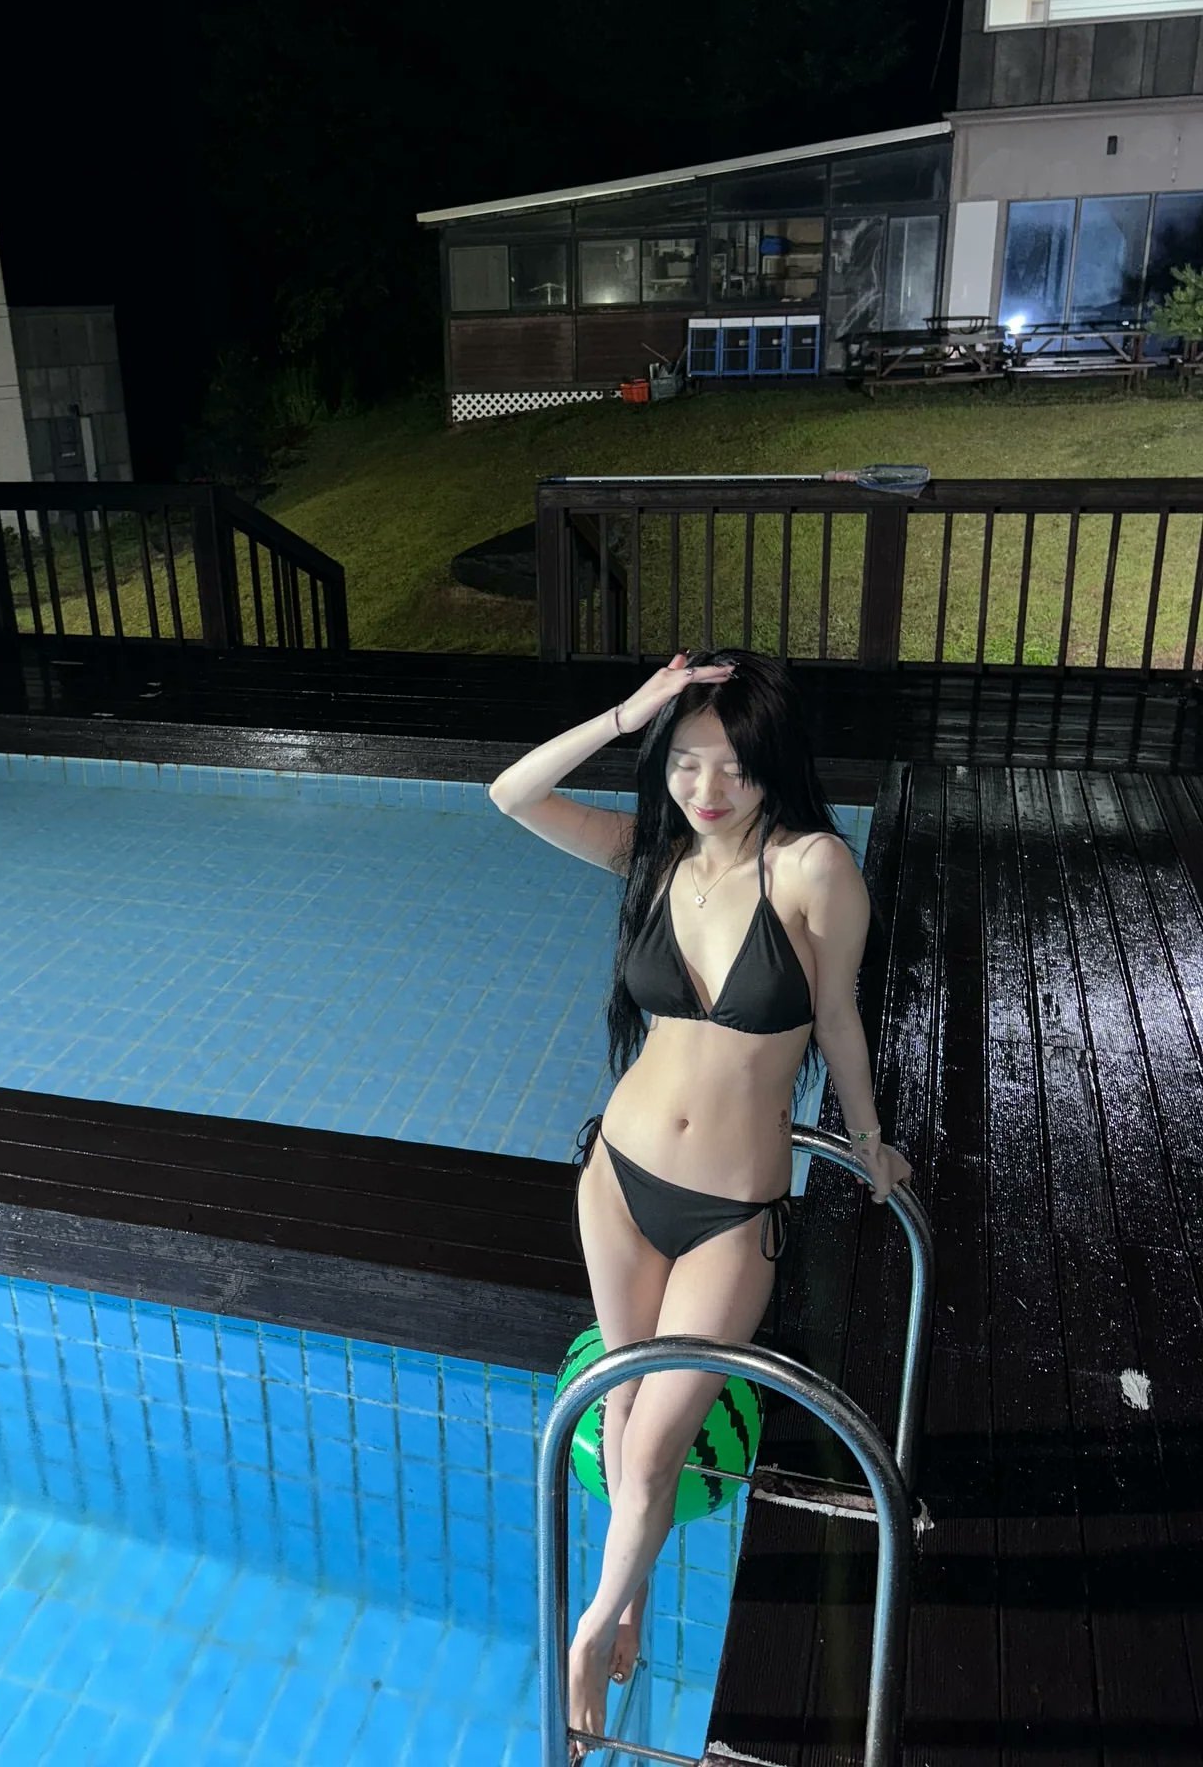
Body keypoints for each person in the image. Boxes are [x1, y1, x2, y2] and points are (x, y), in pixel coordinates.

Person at [487, 646, 912, 1760]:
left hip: (732, 1213)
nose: (708, 788)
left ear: (775, 762)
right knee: (624, 1419)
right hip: (619, 1181)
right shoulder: (653, 859)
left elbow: (839, 1019)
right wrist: (627, 713)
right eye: (684, 762)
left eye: (733, 764)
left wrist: (869, 1140)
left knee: (655, 1443)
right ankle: (627, 1605)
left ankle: (587, 1634)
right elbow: (511, 794)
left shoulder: (814, 868)